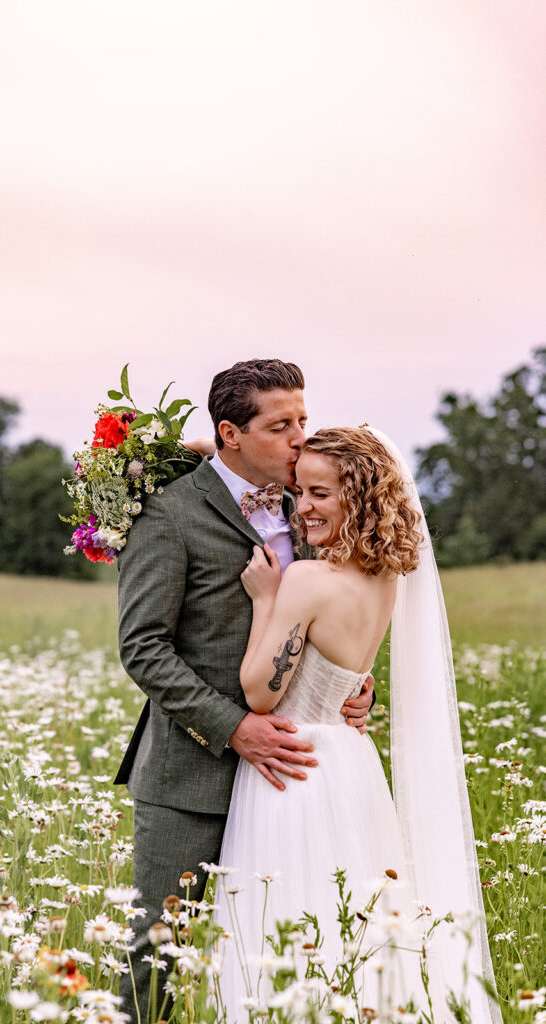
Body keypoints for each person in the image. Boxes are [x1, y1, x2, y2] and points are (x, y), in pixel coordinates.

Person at [114, 361, 374, 1022]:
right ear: (229, 432)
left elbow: (327, 619)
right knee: (159, 957)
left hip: (294, 783)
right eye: (280, 425)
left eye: (302, 422)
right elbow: (143, 646)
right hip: (190, 780)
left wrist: (353, 688)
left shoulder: (306, 506)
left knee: (289, 951)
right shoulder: (168, 515)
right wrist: (233, 725)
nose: (297, 439)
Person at [216, 427, 501, 1023]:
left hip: (291, 766)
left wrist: (266, 599)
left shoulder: (305, 581)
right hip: (350, 764)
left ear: (360, 496)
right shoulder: (387, 578)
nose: (304, 507)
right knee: (357, 928)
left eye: (320, 493)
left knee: (288, 924)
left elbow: (259, 695)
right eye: (299, 491)